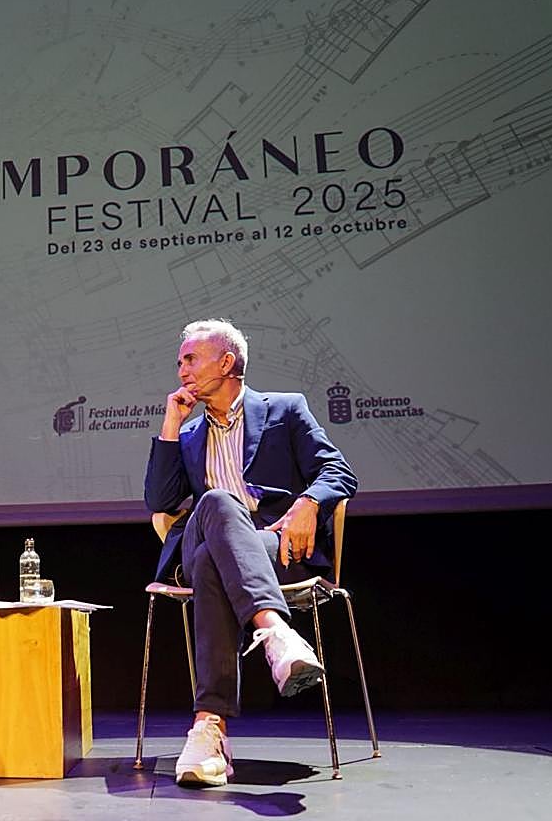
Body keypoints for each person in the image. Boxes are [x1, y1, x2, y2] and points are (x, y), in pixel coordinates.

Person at [144, 319, 357, 788]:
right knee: (217, 502)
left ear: (226, 362)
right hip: (209, 531)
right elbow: (160, 500)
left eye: (190, 359)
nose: (181, 370)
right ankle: (277, 633)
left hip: (272, 547)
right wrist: (171, 426)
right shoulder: (191, 432)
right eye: (179, 361)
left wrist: (308, 502)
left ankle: (209, 729)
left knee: (208, 565)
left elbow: (339, 470)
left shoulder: (284, 410)